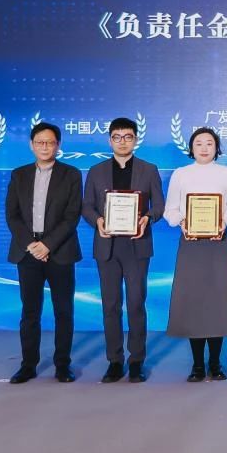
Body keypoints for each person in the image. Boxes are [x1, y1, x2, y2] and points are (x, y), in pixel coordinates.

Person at [81, 117, 164, 383]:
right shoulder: (96, 171)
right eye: (117, 137)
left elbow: (159, 206)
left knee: (136, 303)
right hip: (107, 245)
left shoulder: (149, 170)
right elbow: (86, 206)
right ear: (110, 141)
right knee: (110, 305)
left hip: (137, 245)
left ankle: (137, 360)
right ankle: (114, 361)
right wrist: (98, 221)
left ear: (135, 140)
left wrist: (147, 218)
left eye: (128, 137)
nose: (122, 142)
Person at [4, 122, 83, 383]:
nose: (45, 147)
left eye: (50, 142)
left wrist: (47, 245)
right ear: (31, 145)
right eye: (40, 142)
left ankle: (63, 365)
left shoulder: (71, 174)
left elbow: (72, 216)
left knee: (64, 311)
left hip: (60, 251)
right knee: (30, 312)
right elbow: (12, 215)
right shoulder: (19, 175)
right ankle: (28, 365)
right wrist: (31, 244)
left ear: (58, 145)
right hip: (27, 252)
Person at [163, 127, 227, 382]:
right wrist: (182, 221)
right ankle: (198, 365)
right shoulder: (181, 174)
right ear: (191, 148)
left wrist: (223, 222)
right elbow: (170, 210)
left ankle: (216, 363)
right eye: (199, 143)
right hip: (191, 244)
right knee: (194, 302)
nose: (204, 148)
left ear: (216, 147)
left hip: (218, 244)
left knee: (217, 301)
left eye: (209, 143)